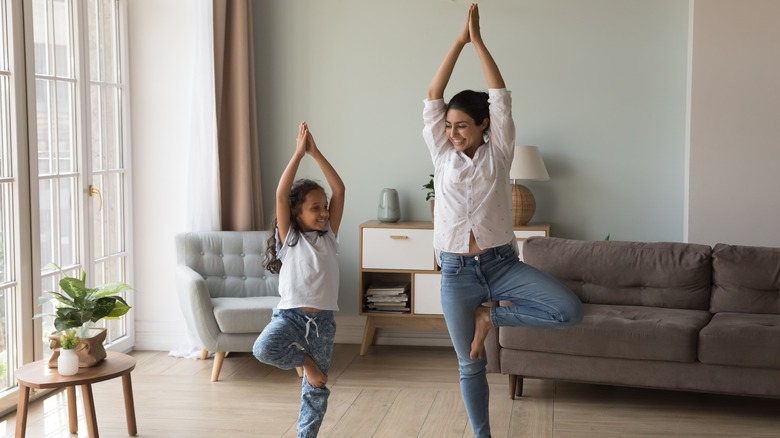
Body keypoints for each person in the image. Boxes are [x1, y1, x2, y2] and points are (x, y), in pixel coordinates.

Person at [422, 4, 583, 437]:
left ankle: (491, 317)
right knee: (469, 363)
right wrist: (458, 42)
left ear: (484, 125)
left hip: (501, 265)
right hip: (456, 272)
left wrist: (479, 43)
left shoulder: (500, 152)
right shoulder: (442, 154)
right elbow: (433, 95)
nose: (453, 133)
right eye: (449, 126)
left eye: (462, 126)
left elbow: (501, 95)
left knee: (568, 311)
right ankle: (482, 435)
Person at [253, 121, 345, 438]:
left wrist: (316, 154)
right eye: (315, 208)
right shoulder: (290, 239)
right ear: (296, 213)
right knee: (263, 349)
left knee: (316, 391)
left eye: (325, 208)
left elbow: (340, 190)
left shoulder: (329, 236)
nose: (323, 213)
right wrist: (297, 154)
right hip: (291, 317)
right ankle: (305, 362)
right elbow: (281, 195)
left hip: (323, 324)